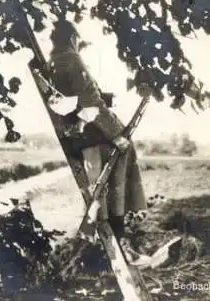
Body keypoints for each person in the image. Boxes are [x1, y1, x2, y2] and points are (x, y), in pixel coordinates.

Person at [47, 19, 147, 244]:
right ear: (72, 39)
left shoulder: (54, 61)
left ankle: (113, 236)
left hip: (78, 134)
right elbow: (90, 102)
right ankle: (119, 236)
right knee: (124, 153)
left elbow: (79, 97)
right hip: (93, 135)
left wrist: (108, 98)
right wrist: (117, 135)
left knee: (111, 176)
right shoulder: (72, 59)